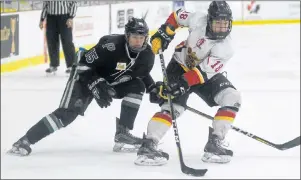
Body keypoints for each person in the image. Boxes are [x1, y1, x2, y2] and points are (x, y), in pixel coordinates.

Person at [7, 17, 156, 156]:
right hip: (84, 76)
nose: (138, 41)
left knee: (137, 86)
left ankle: (123, 133)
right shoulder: (110, 45)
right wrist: (95, 84)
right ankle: (25, 141)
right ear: (127, 36)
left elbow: (141, 75)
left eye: (141, 38)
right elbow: (83, 64)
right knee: (67, 115)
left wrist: (155, 90)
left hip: (108, 81)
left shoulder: (147, 55)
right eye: (134, 37)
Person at [134, 1, 242, 166]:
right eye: (217, 23)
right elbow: (177, 16)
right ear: (209, 19)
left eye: (225, 24)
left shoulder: (226, 48)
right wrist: (166, 32)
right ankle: (149, 144)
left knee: (232, 97)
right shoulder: (199, 19)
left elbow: (202, 73)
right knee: (173, 108)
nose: (222, 28)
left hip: (203, 74)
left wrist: (182, 84)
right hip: (178, 66)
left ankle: (215, 141)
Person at [39, 1, 78, 74]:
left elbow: (74, 3)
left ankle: (71, 65)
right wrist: (42, 19)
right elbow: (45, 5)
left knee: (67, 41)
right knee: (51, 41)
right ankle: (53, 65)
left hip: (64, 17)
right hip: (51, 18)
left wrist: (71, 17)